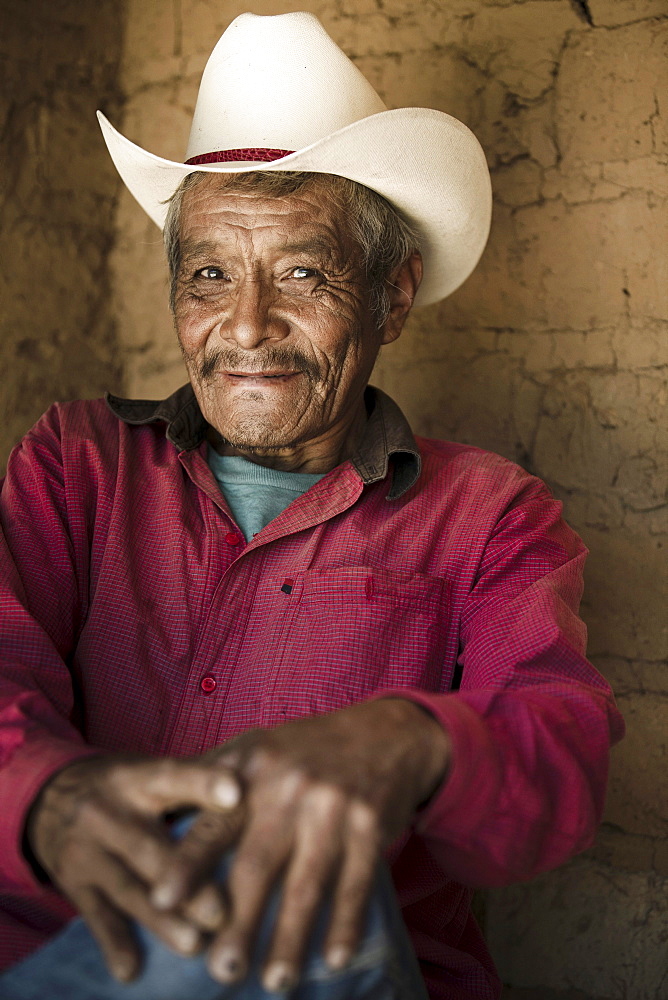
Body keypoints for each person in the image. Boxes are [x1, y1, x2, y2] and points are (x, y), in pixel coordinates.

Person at [0, 11, 624, 1000]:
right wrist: (44, 795)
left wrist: (411, 740)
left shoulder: (491, 518)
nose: (246, 325)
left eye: (301, 272)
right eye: (209, 275)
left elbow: (559, 768)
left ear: (391, 294)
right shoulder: (76, 468)